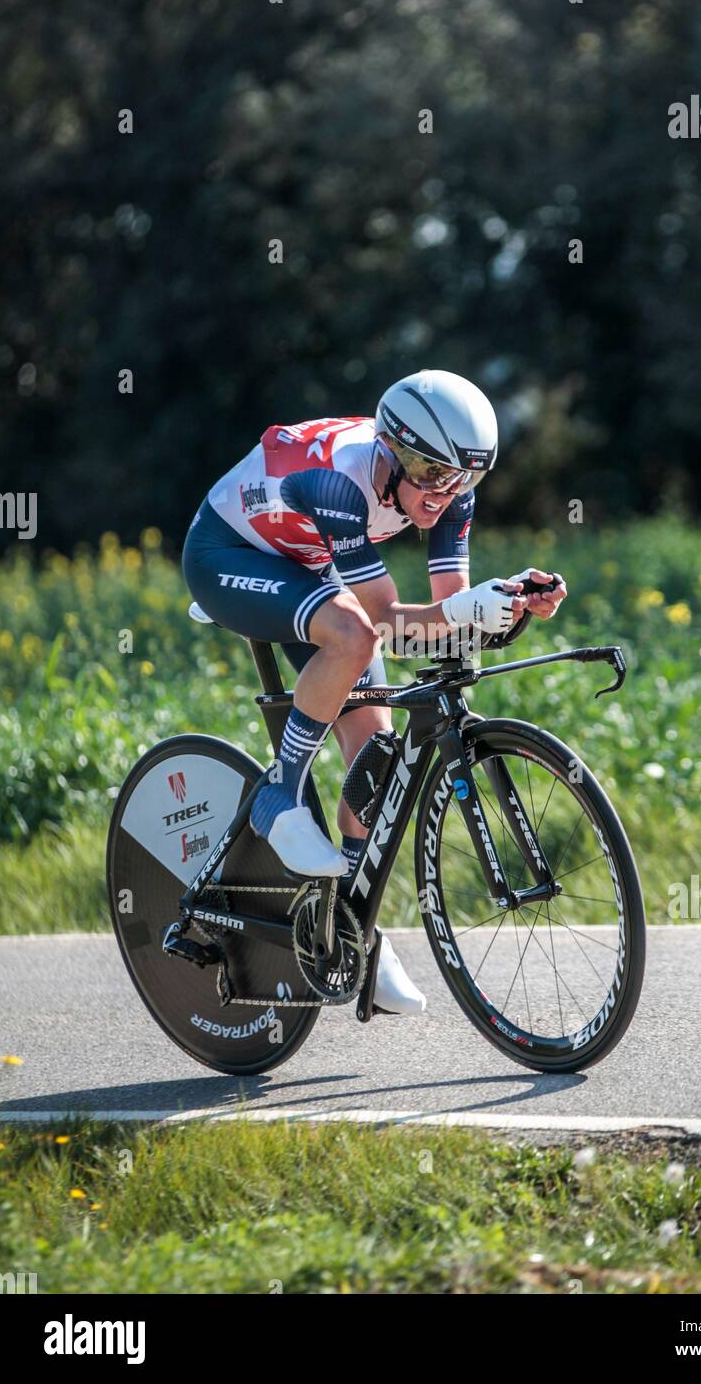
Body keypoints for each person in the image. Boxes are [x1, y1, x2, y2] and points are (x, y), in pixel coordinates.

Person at [183, 369, 567, 1013]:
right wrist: (465, 613)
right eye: (428, 472)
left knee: (376, 770)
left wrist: (509, 606)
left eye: (462, 478)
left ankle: (354, 934)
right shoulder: (339, 481)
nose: (442, 494)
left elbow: (445, 621)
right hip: (230, 555)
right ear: (389, 449)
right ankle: (279, 794)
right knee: (355, 636)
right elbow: (391, 625)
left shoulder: (450, 489)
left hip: (312, 563)